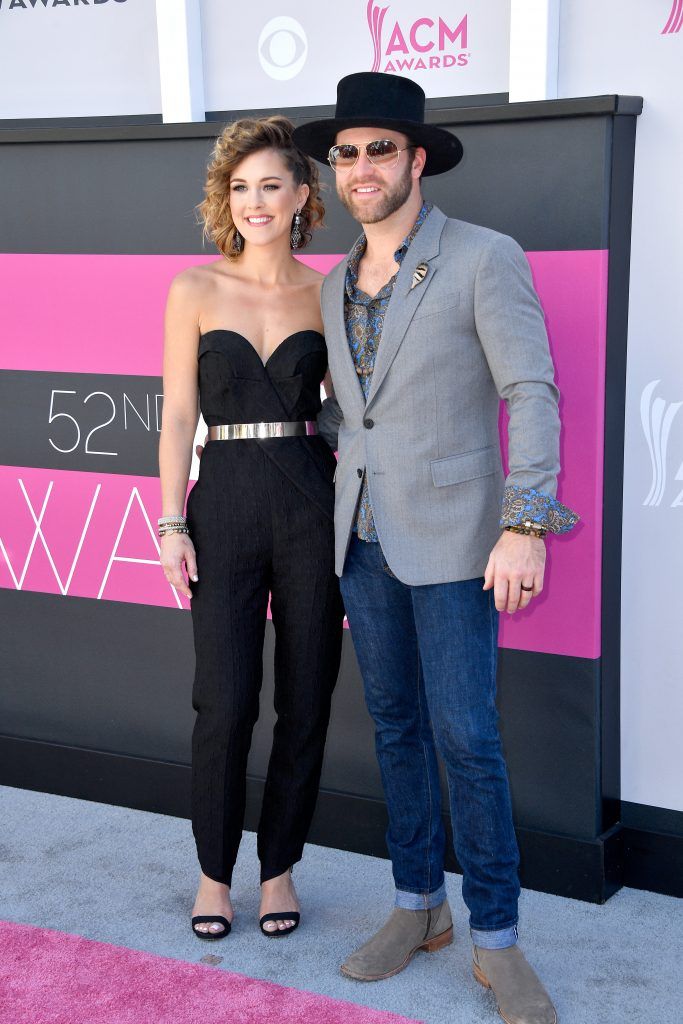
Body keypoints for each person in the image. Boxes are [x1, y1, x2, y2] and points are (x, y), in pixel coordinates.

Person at [293, 73, 578, 1023]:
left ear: (416, 159)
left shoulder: (480, 257)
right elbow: (355, 415)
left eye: (380, 149)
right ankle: (418, 908)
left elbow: (530, 392)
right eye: (346, 154)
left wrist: (524, 522)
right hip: (362, 540)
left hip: (460, 541)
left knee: (468, 738)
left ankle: (496, 941)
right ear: (331, 172)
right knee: (396, 730)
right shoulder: (333, 283)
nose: (361, 167)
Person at [158, 116, 344, 941]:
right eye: (240, 187)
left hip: (311, 501)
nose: (255, 201)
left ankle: (278, 869)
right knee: (224, 702)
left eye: (272, 184)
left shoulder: (331, 289)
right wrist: (170, 521)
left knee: (304, 700)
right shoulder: (193, 288)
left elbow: (354, 413)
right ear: (223, 200)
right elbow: (175, 418)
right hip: (223, 504)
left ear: (303, 195)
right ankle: (212, 874)